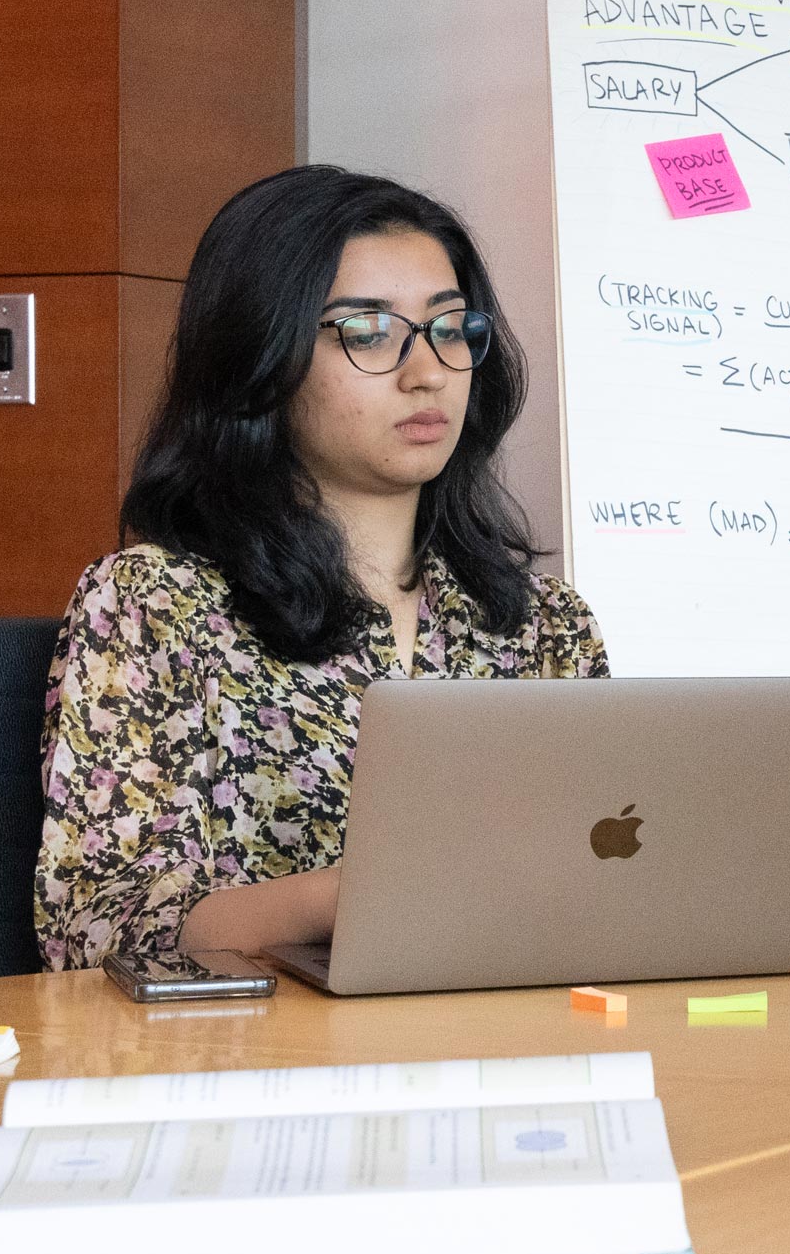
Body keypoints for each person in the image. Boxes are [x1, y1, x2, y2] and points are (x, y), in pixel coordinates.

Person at [36, 166, 606, 971]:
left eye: (450, 329)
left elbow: (598, 876)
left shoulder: (546, 625)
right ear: (260, 355)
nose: (428, 371)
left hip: (513, 1039)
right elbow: (91, 928)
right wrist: (348, 900)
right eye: (367, 331)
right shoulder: (153, 603)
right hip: (256, 1064)